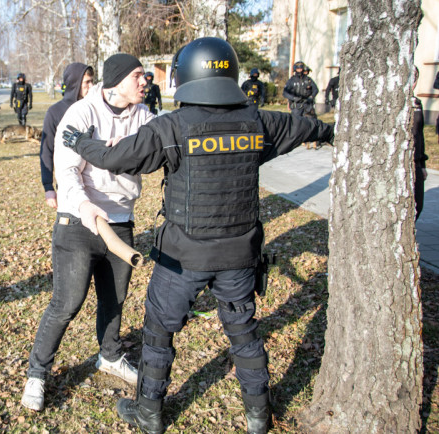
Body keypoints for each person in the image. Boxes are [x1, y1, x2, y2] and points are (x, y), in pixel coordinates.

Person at [61, 37, 335, 434]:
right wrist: (331, 132)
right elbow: (303, 126)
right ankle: (259, 416)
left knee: (158, 333)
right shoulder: (258, 121)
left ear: (187, 75)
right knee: (244, 334)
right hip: (239, 257)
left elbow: (114, 159)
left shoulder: (173, 126)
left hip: (182, 259)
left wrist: (80, 142)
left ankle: (150, 414)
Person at [21, 53, 156, 412]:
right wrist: (85, 207)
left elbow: (155, 150)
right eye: (139, 76)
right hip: (78, 220)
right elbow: (66, 171)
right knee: (67, 302)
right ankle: (37, 373)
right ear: (117, 81)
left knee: (115, 297)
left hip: (120, 221)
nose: (145, 83)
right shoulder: (81, 113)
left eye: (145, 77)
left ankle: (110, 356)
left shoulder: (144, 115)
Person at [39, 63, 94, 209]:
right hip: (68, 183)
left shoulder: (96, 109)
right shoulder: (55, 112)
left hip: (96, 184)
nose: (91, 86)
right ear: (75, 83)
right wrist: (48, 186)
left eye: (92, 81)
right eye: (87, 82)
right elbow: (46, 150)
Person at [413, 67, 428, 220]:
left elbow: (420, 134)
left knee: (418, 206)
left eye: (415, 77)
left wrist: (422, 164)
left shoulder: (417, 103)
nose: (413, 81)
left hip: (416, 162)